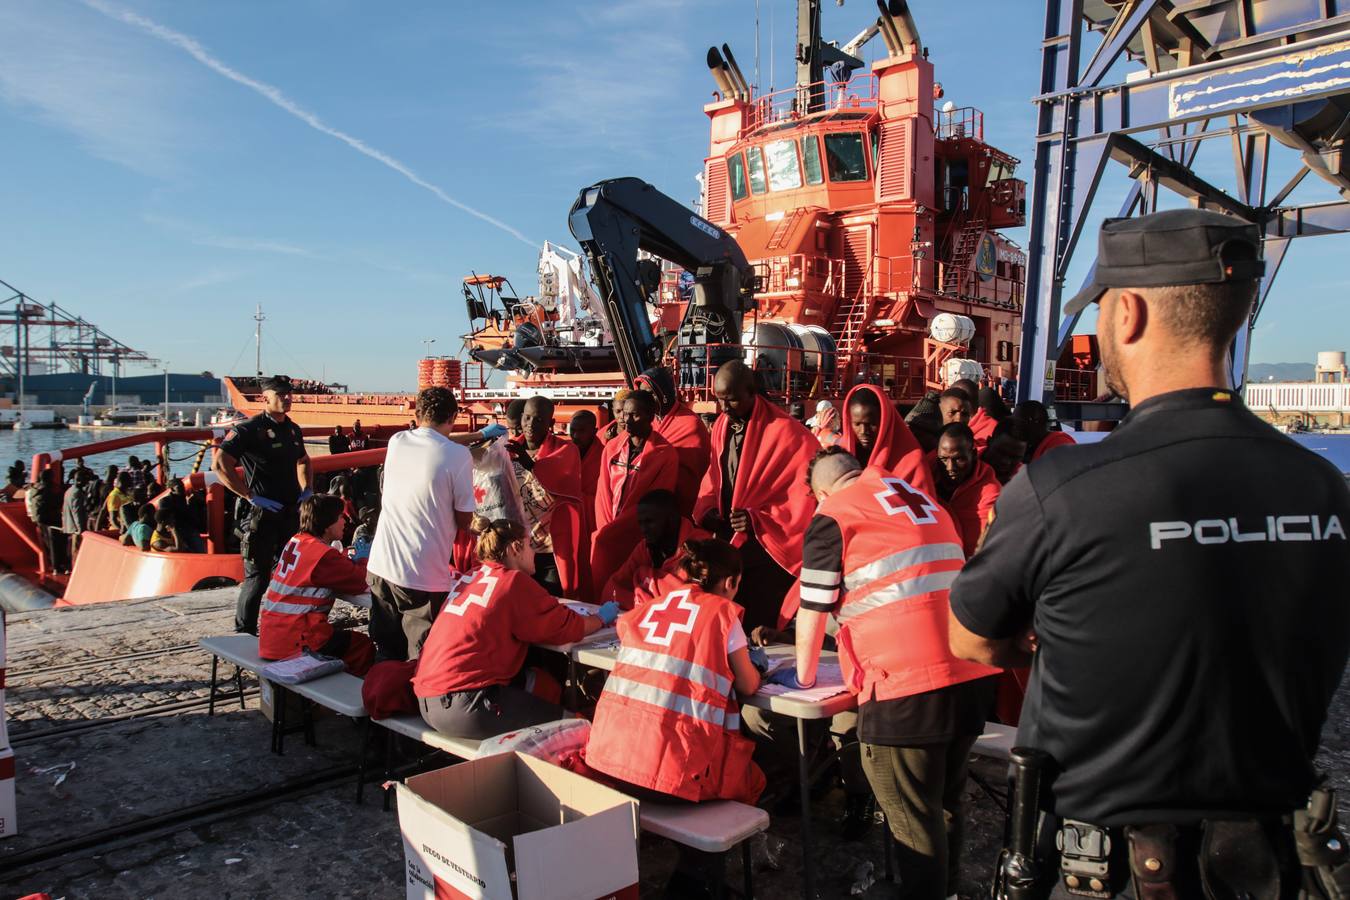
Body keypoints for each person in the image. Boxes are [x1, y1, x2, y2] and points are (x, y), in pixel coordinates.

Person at [948, 209, 1350, 898]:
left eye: (1098, 309)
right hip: (1267, 863)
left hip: (1107, 867)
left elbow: (972, 637)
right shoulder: (1326, 489)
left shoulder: (1061, 490)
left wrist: (1074, 646)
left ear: (1127, 313)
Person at [775, 448, 998, 899]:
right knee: (945, 804)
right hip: (971, 675)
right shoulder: (924, 500)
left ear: (820, 493)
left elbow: (813, 608)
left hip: (905, 686)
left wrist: (801, 679)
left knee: (911, 817)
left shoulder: (836, 513)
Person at [584, 537, 764, 805]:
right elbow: (748, 685)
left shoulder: (647, 610)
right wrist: (757, 667)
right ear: (730, 582)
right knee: (754, 780)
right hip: (673, 777)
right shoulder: (722, 613)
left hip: (608, 761)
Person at [413, 517, 617, 739]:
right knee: (579, 729)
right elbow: (567, 627)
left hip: (427, 700)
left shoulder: (470, 575)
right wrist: (601, 618)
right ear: (515, 548)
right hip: (467, 704)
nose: (534, 554)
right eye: (529, 545)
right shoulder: (513, 582)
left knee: (541, 684)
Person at [693, 360, 817, 630]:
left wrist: (757, 518)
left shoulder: (787, 432)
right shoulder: (722, 426)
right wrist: (709, 509)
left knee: (758, 625)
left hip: (765, 552)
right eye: (720, 400)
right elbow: (715, 476)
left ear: (752, 392)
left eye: (733, 400)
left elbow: (802, 494)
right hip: (728, 544)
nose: (725, 408)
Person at [366, 387, 476, 660]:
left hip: (381, 566)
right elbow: (465, 520)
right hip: (421, 575)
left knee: (385, 651)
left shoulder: (397, 441)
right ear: (453, 416)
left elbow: (434, 443)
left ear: (417, 414)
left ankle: (381, 698)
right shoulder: (459, 456)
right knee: (421, 656)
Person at [214, 375, 313, 635]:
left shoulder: (292, 429)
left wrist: (307, 490)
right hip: (261, 513)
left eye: (289, 394)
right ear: (265, 398)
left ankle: (284, 625)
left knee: (292, 576)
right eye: (281, 395)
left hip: (289, 513)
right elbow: (220, 464)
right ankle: (244, 632)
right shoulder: (249, 429)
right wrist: (248, 495)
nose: (287, 398)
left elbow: (303, 460)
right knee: (258, 579)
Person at [256, 493, 376, 675]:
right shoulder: (323, 556)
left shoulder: (296, 541)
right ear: (328, 524)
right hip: (297, 640)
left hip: (274, 635)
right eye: (340, 517)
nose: (344, 522)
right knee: (362, 646)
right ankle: (352, 696)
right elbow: (360, 581)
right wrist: (363, 559)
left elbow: (327, 571)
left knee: (346, 641)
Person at [591, 389, 679, 592]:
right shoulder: (612, 448)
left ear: (650, 415)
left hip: (639, 536)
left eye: (634, 414)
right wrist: (606, 530)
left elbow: (657, 502)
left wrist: (617, 529)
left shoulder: (665, 454)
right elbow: (603, 493)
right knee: (602, 588)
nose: (626, 420)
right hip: (607, 533)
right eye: (623, 413)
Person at [506, 396, 585, 596]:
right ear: (521, 417)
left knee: (553, 602)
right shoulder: (508, 450)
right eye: (527, 418)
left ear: (550, 424)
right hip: (518, 547)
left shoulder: (566, 450)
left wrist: (533, 466)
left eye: (539, 420)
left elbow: (563, 483)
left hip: (549, 549)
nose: (531, 424)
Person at [599, 489, 707, 610]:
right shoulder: (645, 547)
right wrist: (647, 604)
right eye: (641, 523)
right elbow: (610, 591)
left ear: (671, 518)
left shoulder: (702, 546)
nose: (643, 529)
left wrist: (646, 584)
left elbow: (697, 601)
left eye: (649, 522)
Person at [634, 367, 711, 518]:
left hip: (679, 505)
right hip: (648, 506)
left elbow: (696, 473)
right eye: (642, 393)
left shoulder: (690, 424)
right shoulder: (647, 421)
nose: (646, 399)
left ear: (663, 393)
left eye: (650, 393)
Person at [838, 383, 937, 497]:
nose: (864, 431)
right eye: (857, 424)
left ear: (886, 421)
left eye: (872, 424)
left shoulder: (912, 461)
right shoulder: (841, 455)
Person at [931, 423, 1001, 557]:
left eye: (959, 459)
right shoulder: (924, 474)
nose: (950, 467)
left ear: (973, 454)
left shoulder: (990, 492)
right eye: (944, 459)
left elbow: (984, 546)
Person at [569, 409, 603, 598]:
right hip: (569, 523)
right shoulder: (565, 453)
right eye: (572, 430)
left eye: (582, 431)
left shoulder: (605, 455)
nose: (575, 436)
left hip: (593, 522)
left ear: (595, 430)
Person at [1011, 399, 1076, 461]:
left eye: (1018, 422)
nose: (1014, 427)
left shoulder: (1059, 446)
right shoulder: (1029, 448)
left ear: (1034, 421)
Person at [980, 418, 1029, 486]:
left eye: (1015, 457)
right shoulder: (966, 461)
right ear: (989, 441)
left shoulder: (1025, 482)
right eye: (1001, 452)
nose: (1005, 461)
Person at [61, 468, 94, 564]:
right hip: (76, 529)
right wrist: (81, 529)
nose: (87, 482)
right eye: (85, 480)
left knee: (73, 551)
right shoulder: (77, 493)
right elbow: (77, 512)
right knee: (77, 551)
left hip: (70, 526)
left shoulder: (69, 490)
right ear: (79, 481)